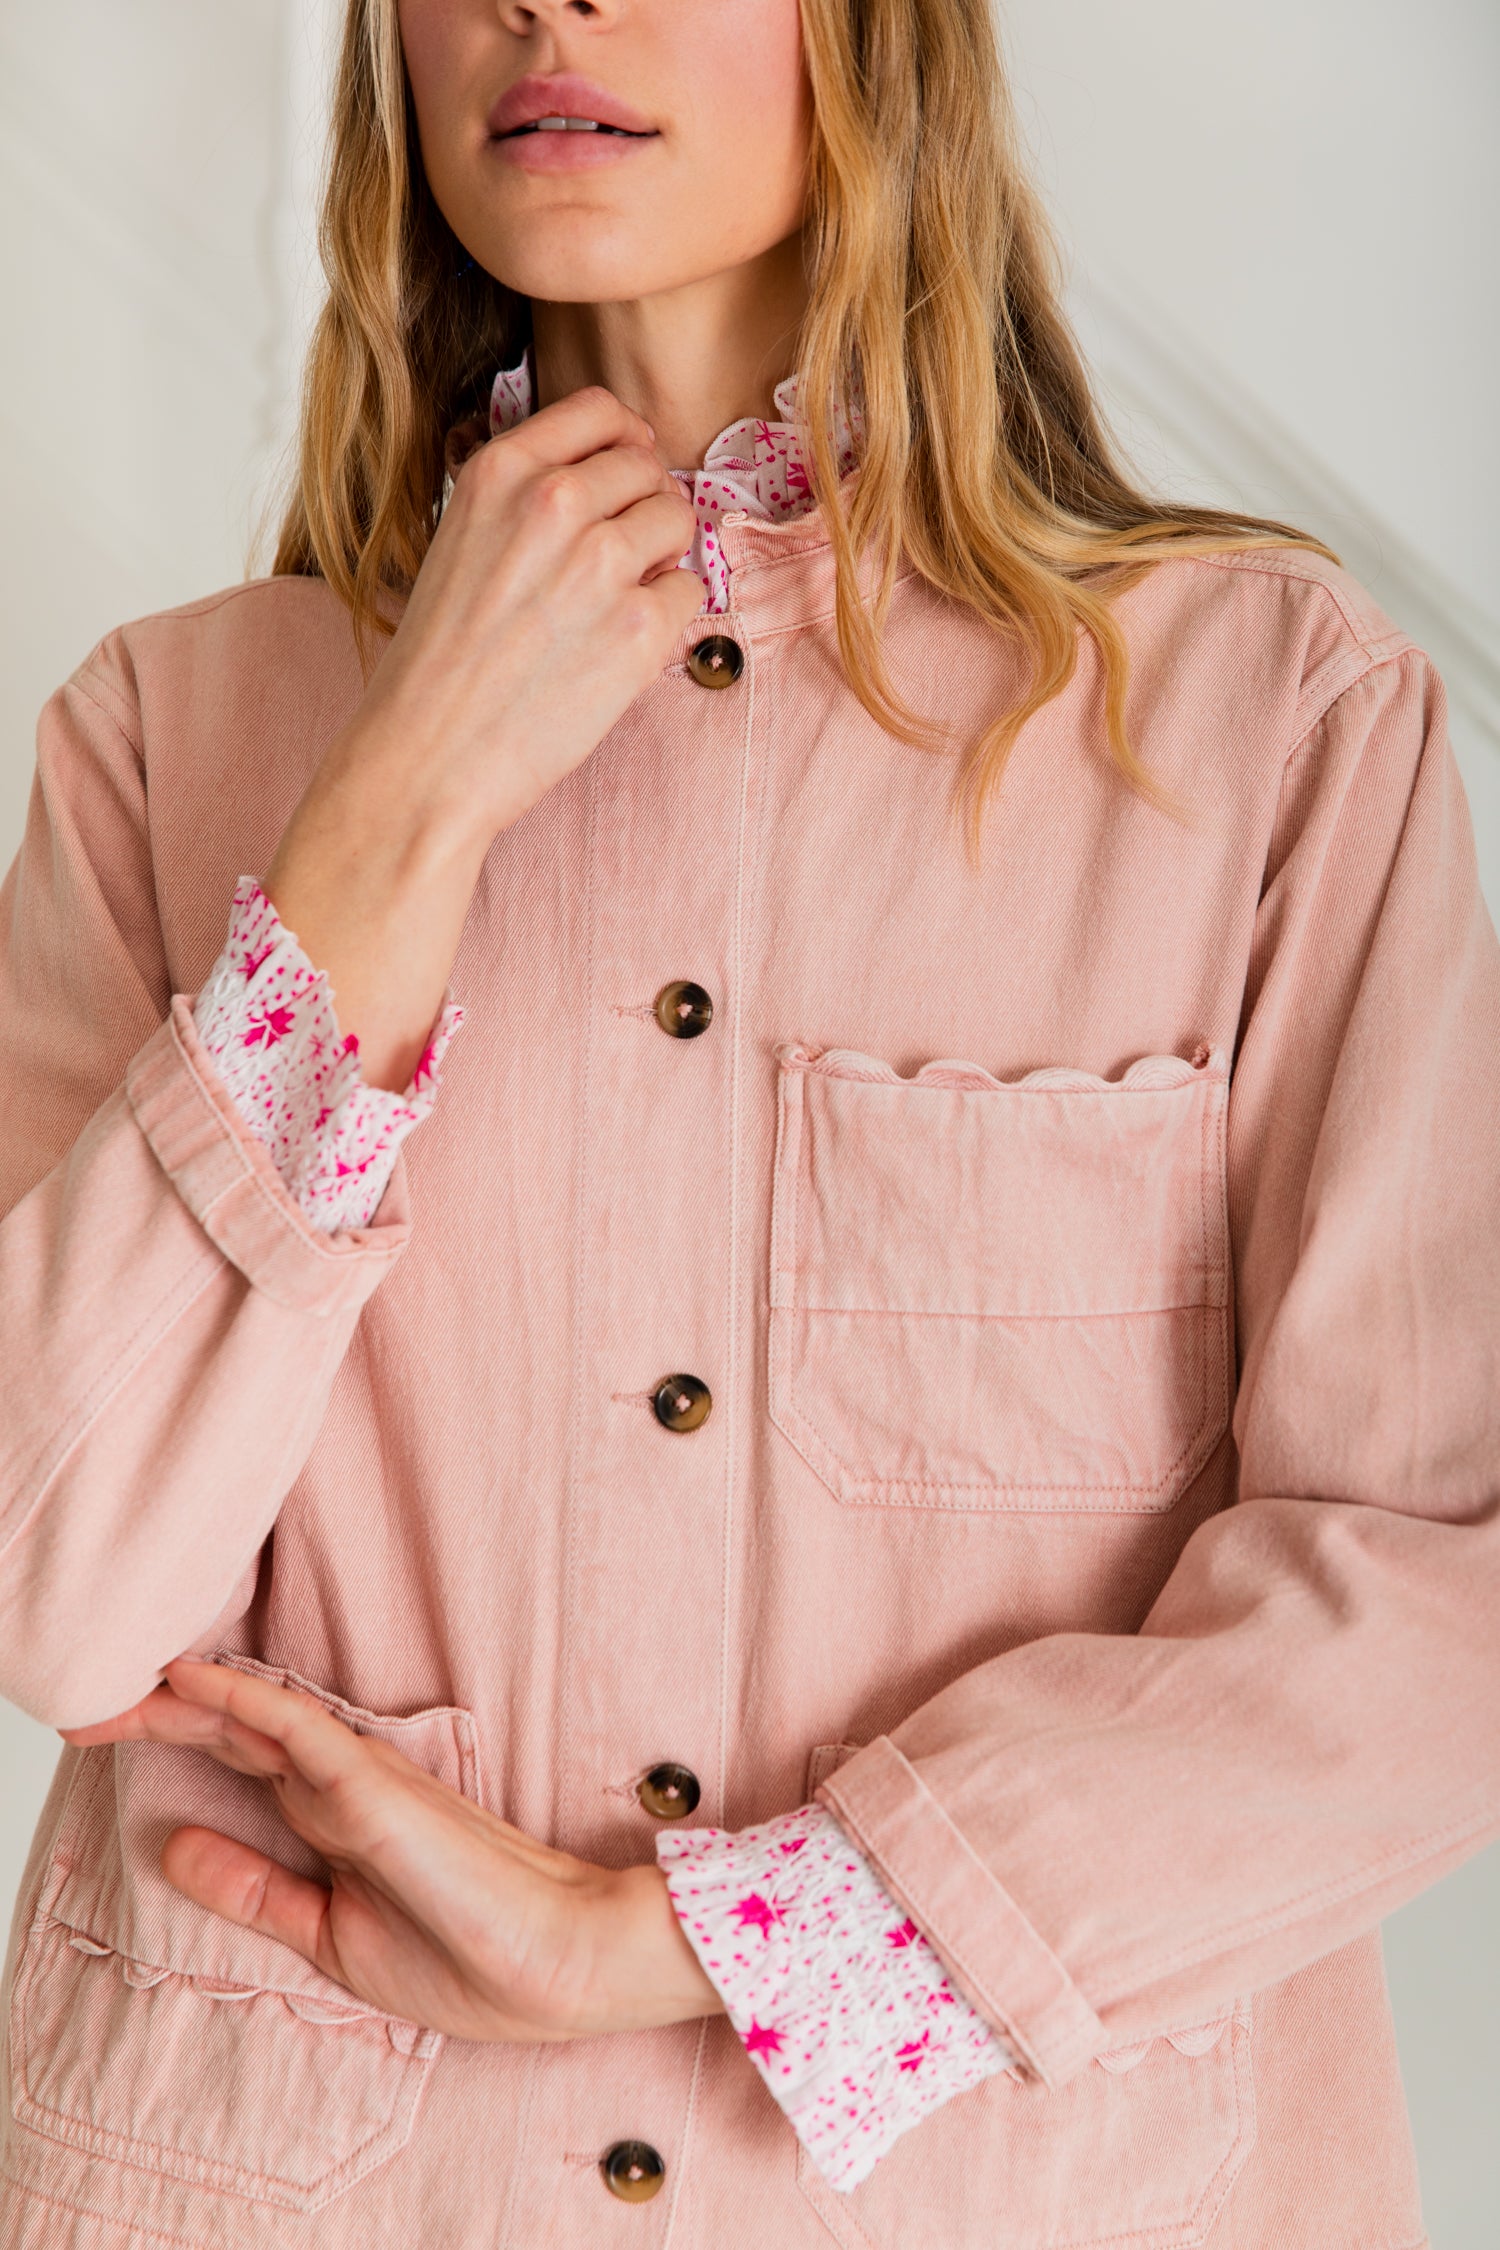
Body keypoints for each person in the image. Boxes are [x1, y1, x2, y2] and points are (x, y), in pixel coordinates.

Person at [0, 0, 1496, 2241]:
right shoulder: (168, 733)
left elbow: (1436, 1597)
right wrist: (393, 815)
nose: (544, 4)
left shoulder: (1269, 729)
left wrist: (697, 1938)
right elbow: (61, 1587)